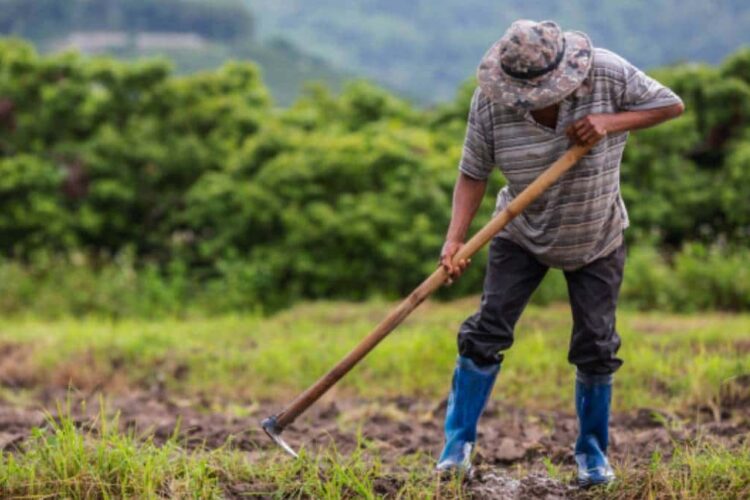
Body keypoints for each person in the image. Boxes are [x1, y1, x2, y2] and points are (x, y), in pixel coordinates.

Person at [436, 19, 684, 487]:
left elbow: (670, 105)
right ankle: (456, 449)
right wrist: (455, 239)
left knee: (595, 344)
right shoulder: (491, 102)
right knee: (486, 332)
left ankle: (592, 456)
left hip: (597, 233)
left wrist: (610, 122)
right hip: (520, 231)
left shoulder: (607, 74)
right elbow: (473, 172)